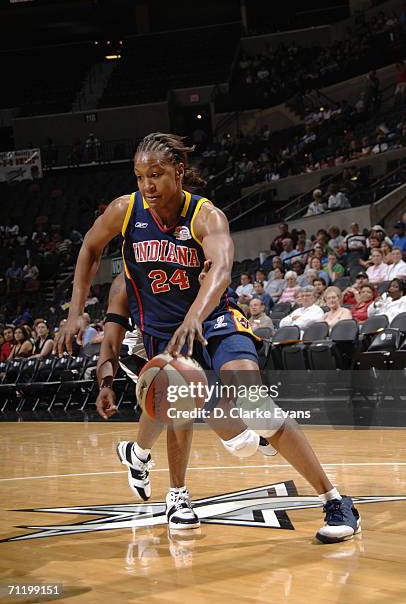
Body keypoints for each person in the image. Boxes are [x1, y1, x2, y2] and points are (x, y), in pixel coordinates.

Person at [58, 132, 360, 543]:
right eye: (140, 175)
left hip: (215, 320)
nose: (147, 184)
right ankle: (177, 496)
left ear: (178, 172)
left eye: (157, 174)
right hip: (161, 333)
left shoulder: (206, 216)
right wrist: (75, 313)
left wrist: (195, 316)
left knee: (257, 406)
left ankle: (335, 501)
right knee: (178, 410)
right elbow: (90, 250)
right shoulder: (125, 211)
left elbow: (220, 271)